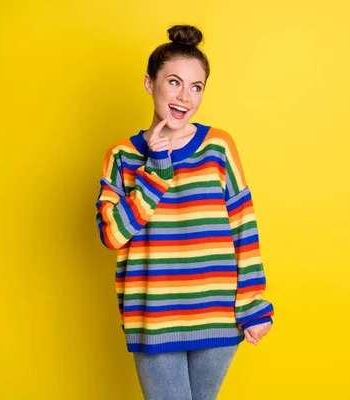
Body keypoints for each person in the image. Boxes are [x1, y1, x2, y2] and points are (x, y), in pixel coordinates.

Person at [94, 25, 274, 400]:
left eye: (196, 87)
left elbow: (244, 225)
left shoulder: (218, 147)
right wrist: (156, 172)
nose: (185, 97)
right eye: (174, 82)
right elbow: (112, 235)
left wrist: (254, 305)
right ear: (149, 83)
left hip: (217, 315)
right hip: (153, 317)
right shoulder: (123, 157)